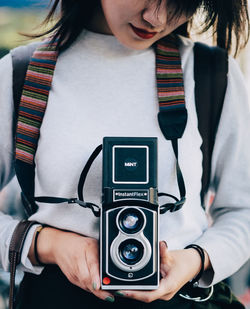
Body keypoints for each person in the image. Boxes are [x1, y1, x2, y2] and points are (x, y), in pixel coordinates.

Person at [0, 0, 250, 308]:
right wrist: (48, 244)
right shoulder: (22, 73)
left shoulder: (210, 72)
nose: (156, 18)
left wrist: (194, 261)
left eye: (181, 2)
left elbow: (243, 210)